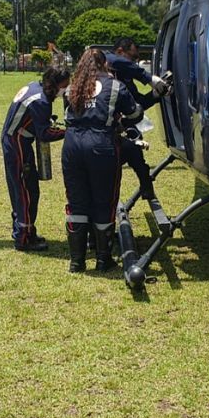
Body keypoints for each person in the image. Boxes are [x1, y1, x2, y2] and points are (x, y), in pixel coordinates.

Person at [62, 48, 144, 272]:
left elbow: (69, 114)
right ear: (104, 64)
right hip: (101, 145)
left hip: (72, 145)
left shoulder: (71, 87)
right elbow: (135, 114)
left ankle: (77, 261)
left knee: (77, 201)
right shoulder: (115, 86)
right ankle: (102, 259)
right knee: (104, 200)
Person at [2, 66, 71, 252]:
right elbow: (45, 133)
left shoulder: (34, 86)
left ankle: (26, 230)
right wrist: (69, 132)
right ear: (55, 84)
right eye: (65, 86)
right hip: (18, 144)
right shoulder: (41, 101)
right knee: (25, 190)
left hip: (17, 141)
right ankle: (23, 238)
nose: (66, 89)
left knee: (26, 188)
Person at [104, 38, 170, 201]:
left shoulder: (124, 77)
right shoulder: (107, 62)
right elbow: (113, 60)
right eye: (132, 58)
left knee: (134, 152)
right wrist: (148, 78)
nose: (134, 64)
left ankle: (146, 186)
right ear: (119, 52)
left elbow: (137, 104)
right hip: (100, 127)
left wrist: (157, 94)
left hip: (117, 124)